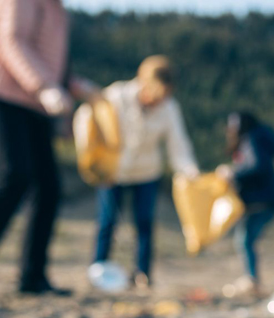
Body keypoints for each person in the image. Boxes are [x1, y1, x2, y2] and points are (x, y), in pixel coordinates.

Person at [0, 0, 96, 296]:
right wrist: (45, 87)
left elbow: (52, 61)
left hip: (33, 103)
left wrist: (74, 88)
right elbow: (12, 41)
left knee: (48, 186)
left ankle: (33, 277)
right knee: (15, 173)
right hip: (0, 93)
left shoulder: (58, 9)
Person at [76, 56, 199, 289]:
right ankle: (98, 270)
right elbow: (86, 120)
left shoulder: (169, 107)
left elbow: (179, 145)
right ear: (143, 83)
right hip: (113, 174)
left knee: (145, 224)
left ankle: (142, 274)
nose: (158, 101)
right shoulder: (115, 97)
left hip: (146, 174)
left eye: (164, 96)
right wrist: (94, 163)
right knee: (107, 221)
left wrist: (189, 172)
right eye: (155, 95)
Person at [217, 112, 274, 296]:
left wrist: (233, 173)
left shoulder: (252, 140)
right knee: (246, 239)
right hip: (266, 199)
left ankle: (252, 281)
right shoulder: (257, 139)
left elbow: (257, 166)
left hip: (261, 200)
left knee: (245, 239)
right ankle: (252, 279)